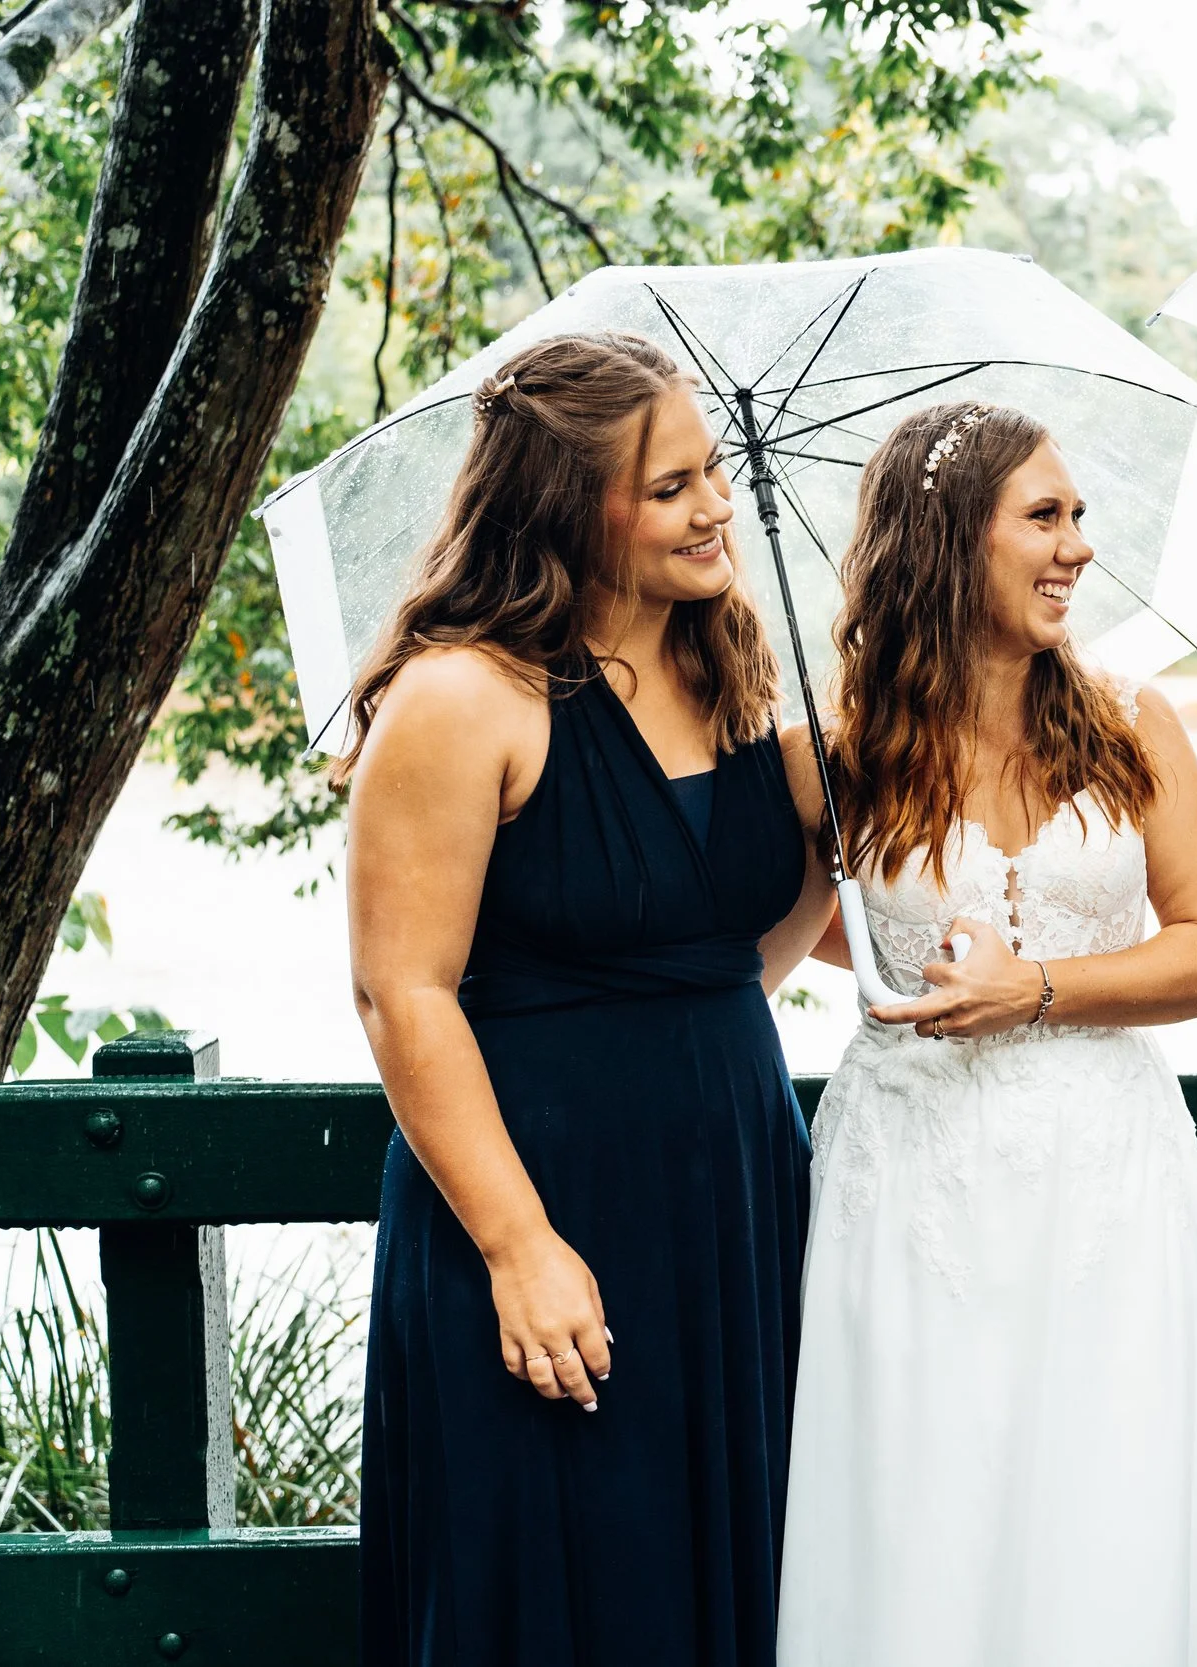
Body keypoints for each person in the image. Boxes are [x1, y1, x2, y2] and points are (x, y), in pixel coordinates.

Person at [346, 330, 840, 1666]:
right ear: (574, 507)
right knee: (558, 1585)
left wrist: (829, 851)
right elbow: (402, 990)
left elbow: (734, 954)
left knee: (731, 1575)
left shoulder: (736, 680)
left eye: (715, 471)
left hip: (734, 1207)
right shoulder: (463, 697)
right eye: (673, 484)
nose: (716, 504)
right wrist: (520, 1247)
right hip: (541, 1204)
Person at [775, 400, 1197, 1667]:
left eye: (1079, 515)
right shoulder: (835, 757)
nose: (1078, 547)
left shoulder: (1130, 724)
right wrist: (911, 974)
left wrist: (1031, 985)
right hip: (905, 1176)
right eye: (1043, 516)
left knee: (1101, 1506)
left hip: (1103, 1179)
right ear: (945, 541)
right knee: (913, 1509)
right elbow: (766, 946)